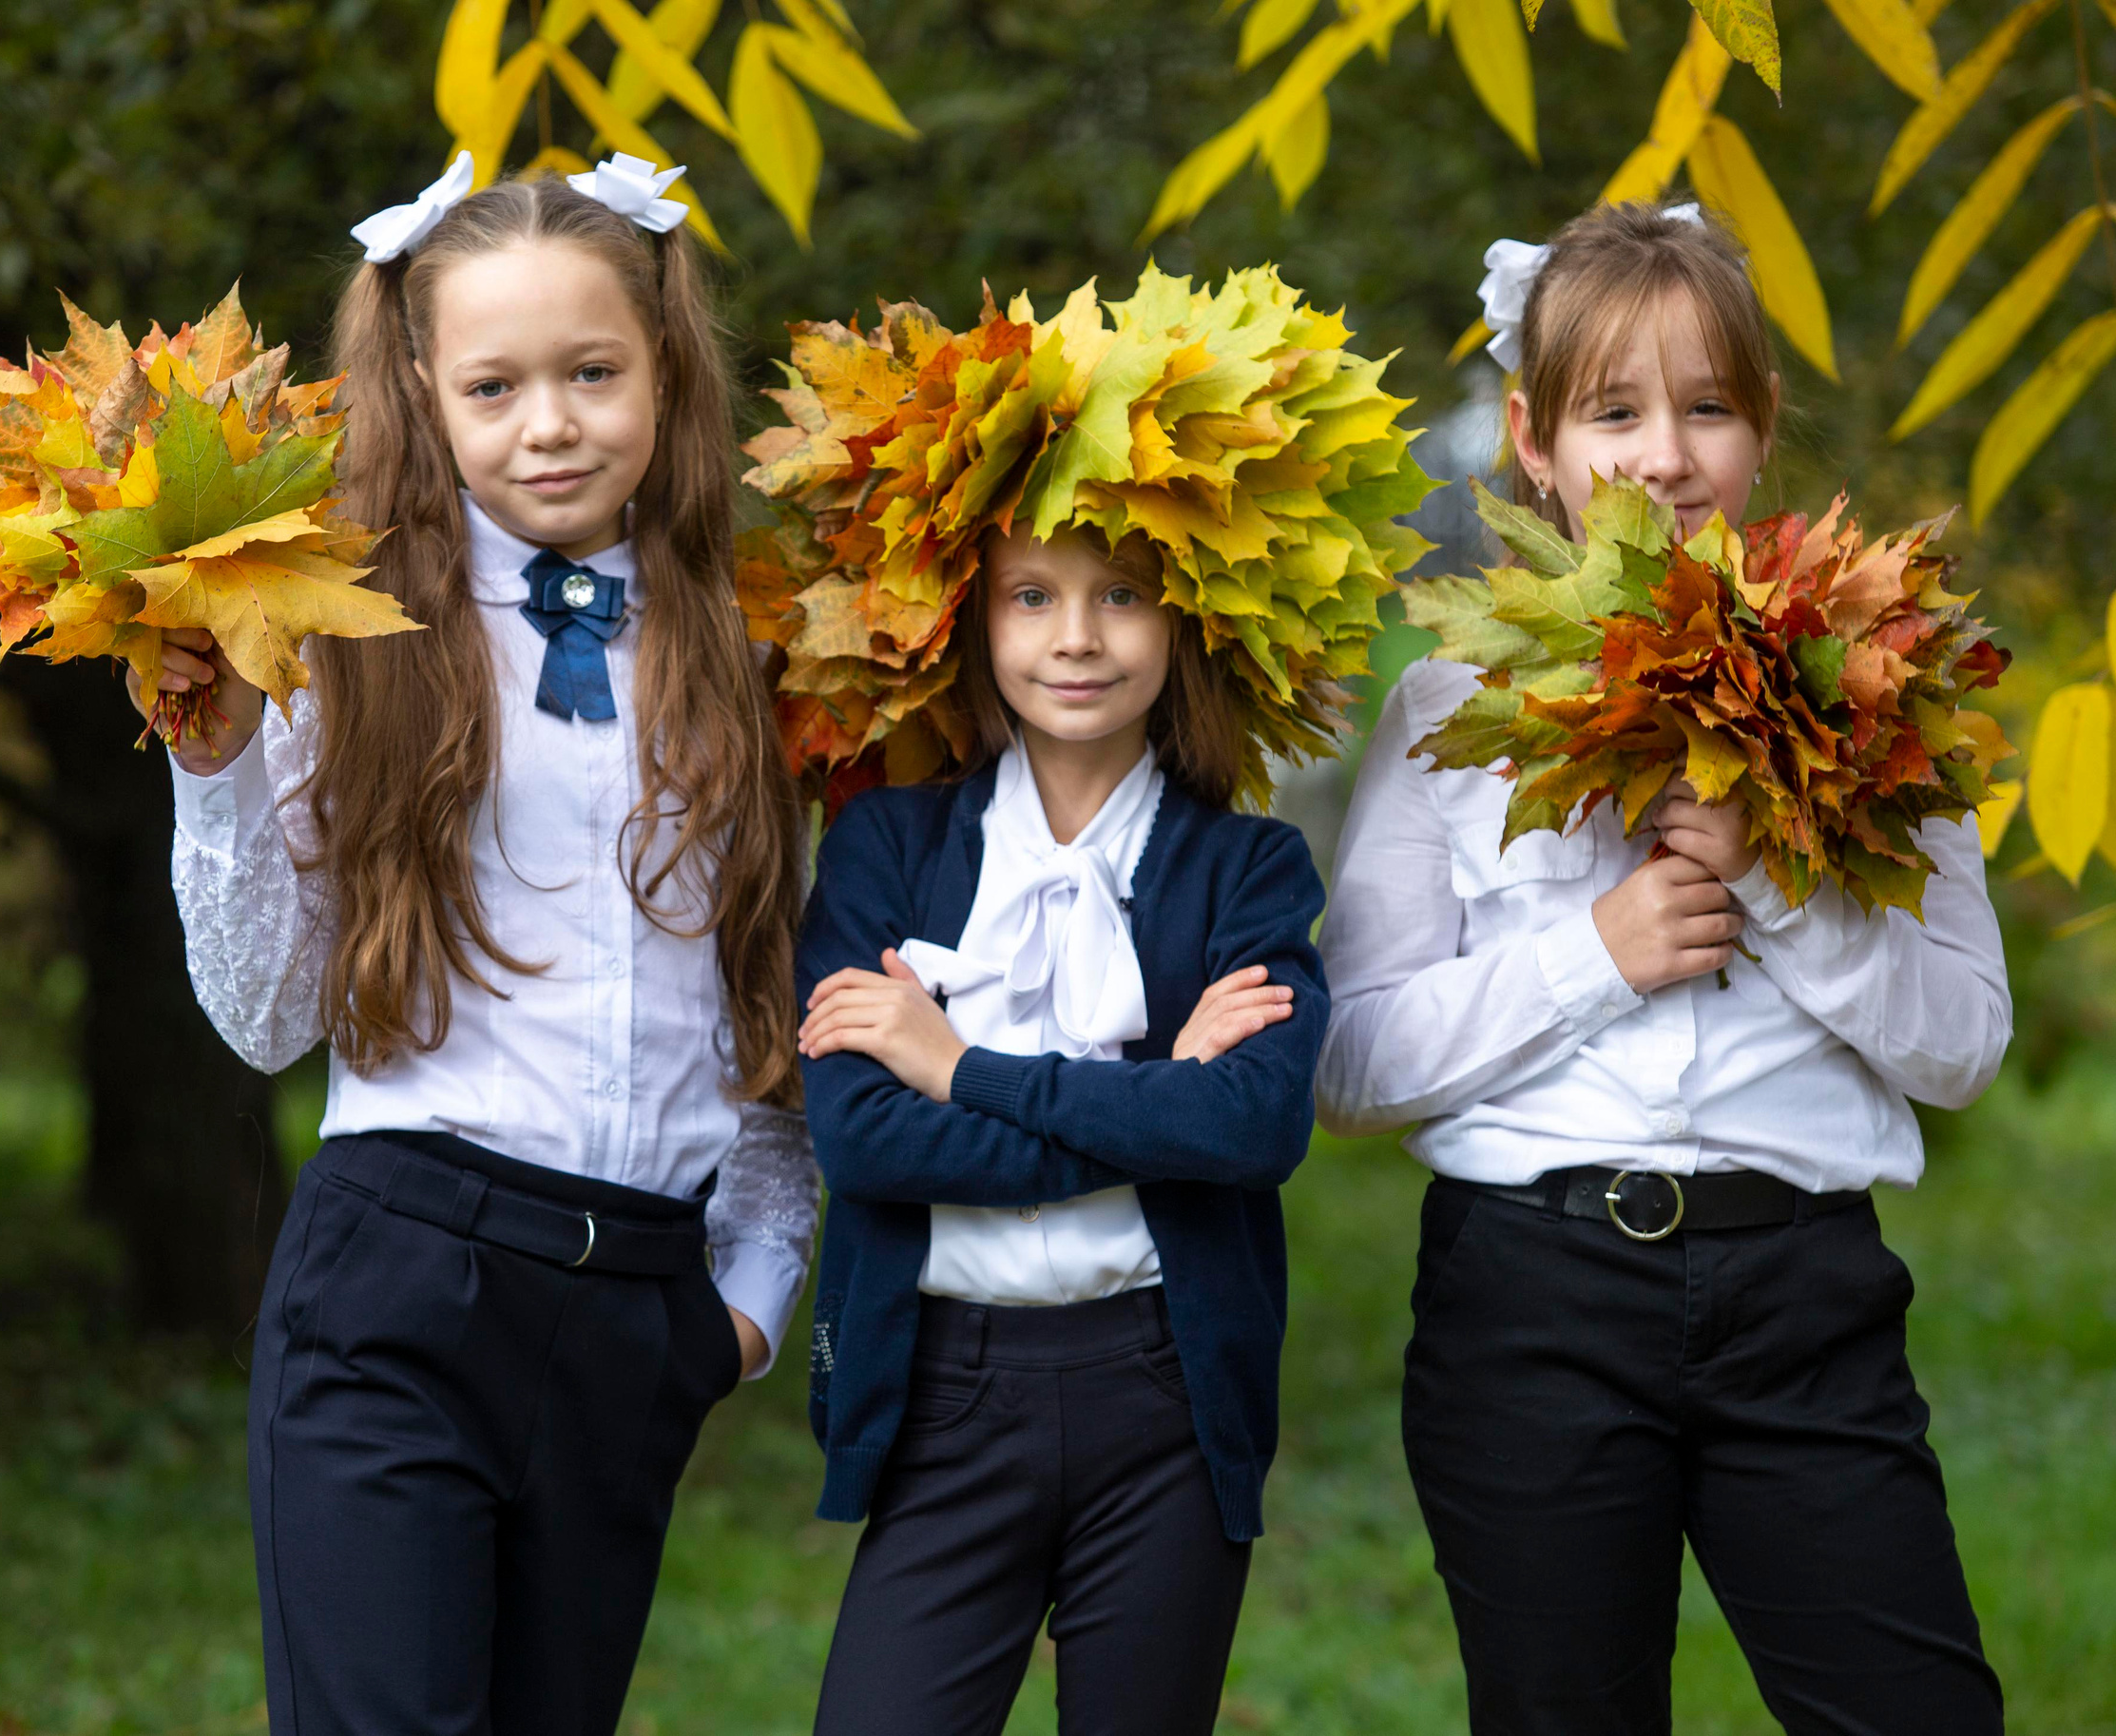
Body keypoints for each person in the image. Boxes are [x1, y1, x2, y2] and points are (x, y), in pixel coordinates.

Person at [130, 153, 818, 1736]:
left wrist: (751, 1295)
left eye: (593, 372)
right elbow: (264, 1019)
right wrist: (218, 763)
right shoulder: (345, 636)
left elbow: (761, 996)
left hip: (640, 1308)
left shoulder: (756, 646)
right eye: (496, 384)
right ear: (424, 390)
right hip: (399, 1279)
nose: (551, 422)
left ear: (664, 370)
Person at [1317, 199, 2010, 1734]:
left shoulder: (1881, 698)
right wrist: (1594, 955)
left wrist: (1772, 876)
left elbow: (1961, 1041)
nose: (1664, 455)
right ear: (1533, 438)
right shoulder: (1450, 702)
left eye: (1707, 407)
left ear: (1761, 431)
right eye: (1613, 411)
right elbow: (1348, 1062)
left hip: (1805, 1301)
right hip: (1532, 1297)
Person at [742, 268, 1419, 1735]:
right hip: (943, 1394)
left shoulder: (1244, 868)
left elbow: (1251, 1128)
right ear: (970, 618)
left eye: (1122, 595)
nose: (1077, 636)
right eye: (1034, 595)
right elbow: (864, 1143)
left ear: (1185, 620)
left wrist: (960, 1063)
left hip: (1162, 1390)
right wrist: (1148, 1094)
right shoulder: (886, 848)